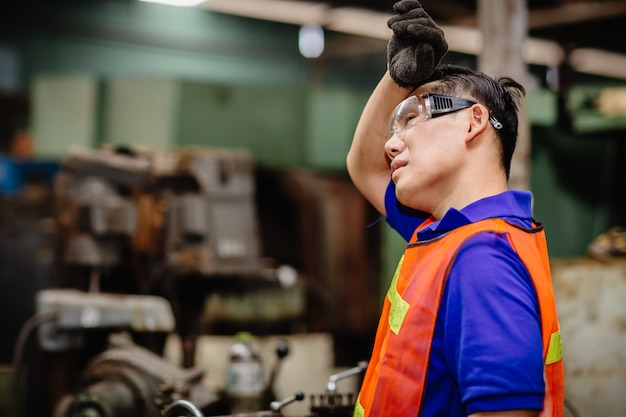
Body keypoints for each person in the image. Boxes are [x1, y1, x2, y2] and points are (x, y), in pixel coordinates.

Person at [346, 1, 564, 417]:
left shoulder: (483, 259)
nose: (391, 144)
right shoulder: (442, 234)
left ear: (472, 122)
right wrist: (397, 81)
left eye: (412, 119)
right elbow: (363, 166)